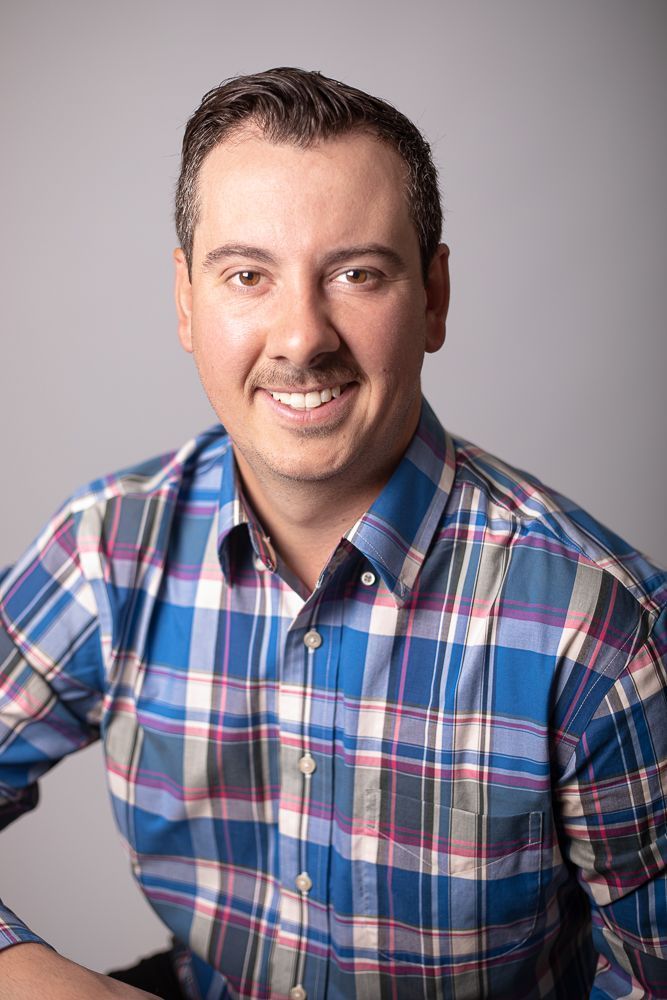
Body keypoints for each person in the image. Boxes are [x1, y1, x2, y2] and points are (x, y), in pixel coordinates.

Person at [0, 67, 665, 1000]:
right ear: (187, 302)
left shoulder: (597, 628)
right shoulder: (112, 547)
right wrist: (33, 979)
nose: (302, 336)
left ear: (433, 297)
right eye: (246, 275)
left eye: (357, 274)